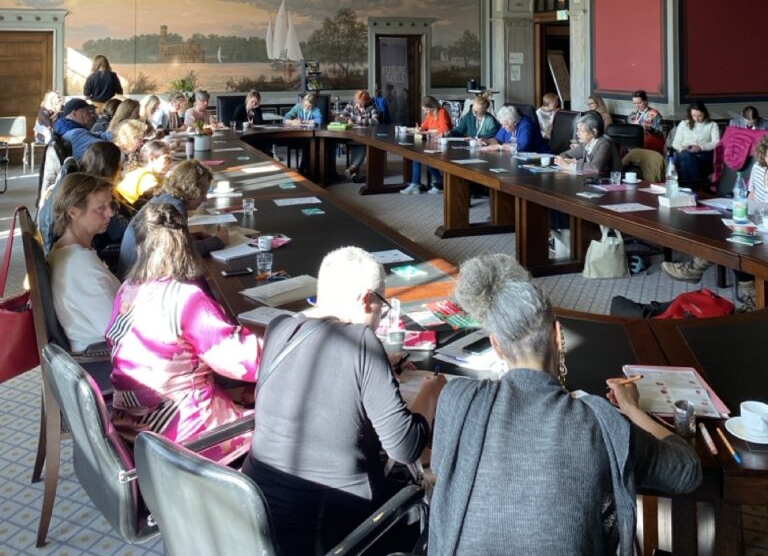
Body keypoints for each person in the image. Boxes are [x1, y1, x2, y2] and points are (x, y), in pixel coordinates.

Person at [428, 254, 702, 556]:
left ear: (496, 345)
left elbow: (446, 474)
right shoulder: (600, 424)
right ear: (558, 335)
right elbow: (687, 471)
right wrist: (632, 410)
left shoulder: (457, 399)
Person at [242, 247, 444, 555]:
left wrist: (378, 369)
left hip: (256, 516)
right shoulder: (362, 341)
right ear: (366, 299)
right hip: (327, 532)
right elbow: (405, 447)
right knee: (431, 511)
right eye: (382, 307)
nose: (379, 319)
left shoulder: (279, 328)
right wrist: (431, 390)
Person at [108, 201, 261, 462]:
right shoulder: (186, 299)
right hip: (183, 436)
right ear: (185, 247)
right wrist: (285, 340)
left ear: (139, 248)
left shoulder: (127, 291)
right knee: (285, 421)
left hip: (133, 425)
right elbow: (243, 362)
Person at [663, 136, 768, 298]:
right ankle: (750, 293)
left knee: (735, 239)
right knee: (726, 233)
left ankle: (695, 269)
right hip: (757, 223)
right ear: (764, 152)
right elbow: (751, 197)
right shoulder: (758, 168)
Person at [47, 173, 121, 352]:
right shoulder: (81, 265)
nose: (110, 213)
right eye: (100, 208)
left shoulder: (61, 250)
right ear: (73, 212)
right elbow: (116, 331)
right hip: (103, 356)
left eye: (110, 206)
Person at [117, 159, 226, 277]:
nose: (205, 199)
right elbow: (181, 252)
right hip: (139, 275)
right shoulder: (175, 208)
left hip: (135, 269)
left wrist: (192, 237)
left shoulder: (164, 197)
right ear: (192, 191)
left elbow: (169, 242)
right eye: (202, 194)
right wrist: (217, 241)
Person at [401, 95, 453, 195]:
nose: (425, 112)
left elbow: (444, 130)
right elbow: (424, 126)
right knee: (417, 156)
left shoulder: (442, 112)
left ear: (432, 107)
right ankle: (418, 184)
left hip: (443, 143)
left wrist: (428, 131)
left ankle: (437, 182)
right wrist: (419, 129)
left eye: (426, 110)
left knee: (426, 159)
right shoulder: (430, 115)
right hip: (432, 142)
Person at [670, 101, 720, 189]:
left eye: (699, 116)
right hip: (684, 152)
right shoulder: (684, 124)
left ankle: (686, 188)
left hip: (703, 153)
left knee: (685, 163)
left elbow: (716, 143)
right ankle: (699, 185)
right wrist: (683, 148)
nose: (696, 119)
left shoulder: (712, 125)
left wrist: (701, 147)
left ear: (704, 113)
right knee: (687, 155)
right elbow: (675, 144)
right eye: (694, 116)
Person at [554, 111, 620, 175]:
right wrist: (568, 161)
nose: (577, 133)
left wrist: (570, 166)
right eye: (578, 130)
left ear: (594, 132)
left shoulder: (604, 143)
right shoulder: (587, 143)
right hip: (592, 179)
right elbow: (564, 154)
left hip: (611, 180)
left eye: (582, 131)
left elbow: (596, 168)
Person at [116, 138, 173, 204]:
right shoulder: (147, 179)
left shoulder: (139, 172)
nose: (170, 162)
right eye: (167, 159)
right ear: (152, 159)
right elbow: (158, 203)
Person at [341, 89, 379, 182]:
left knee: (361, 145)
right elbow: (341, 117)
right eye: (358, 101)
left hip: (366, 135)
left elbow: (375, 121)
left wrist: (357, 120)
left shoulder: (371, 106)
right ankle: (352, 172)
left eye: (362, 102)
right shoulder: (351, 104)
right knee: (357, 146)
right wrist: (347, 119)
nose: (359, 104)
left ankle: (351, 170)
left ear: (367, 101)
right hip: (351, 135)